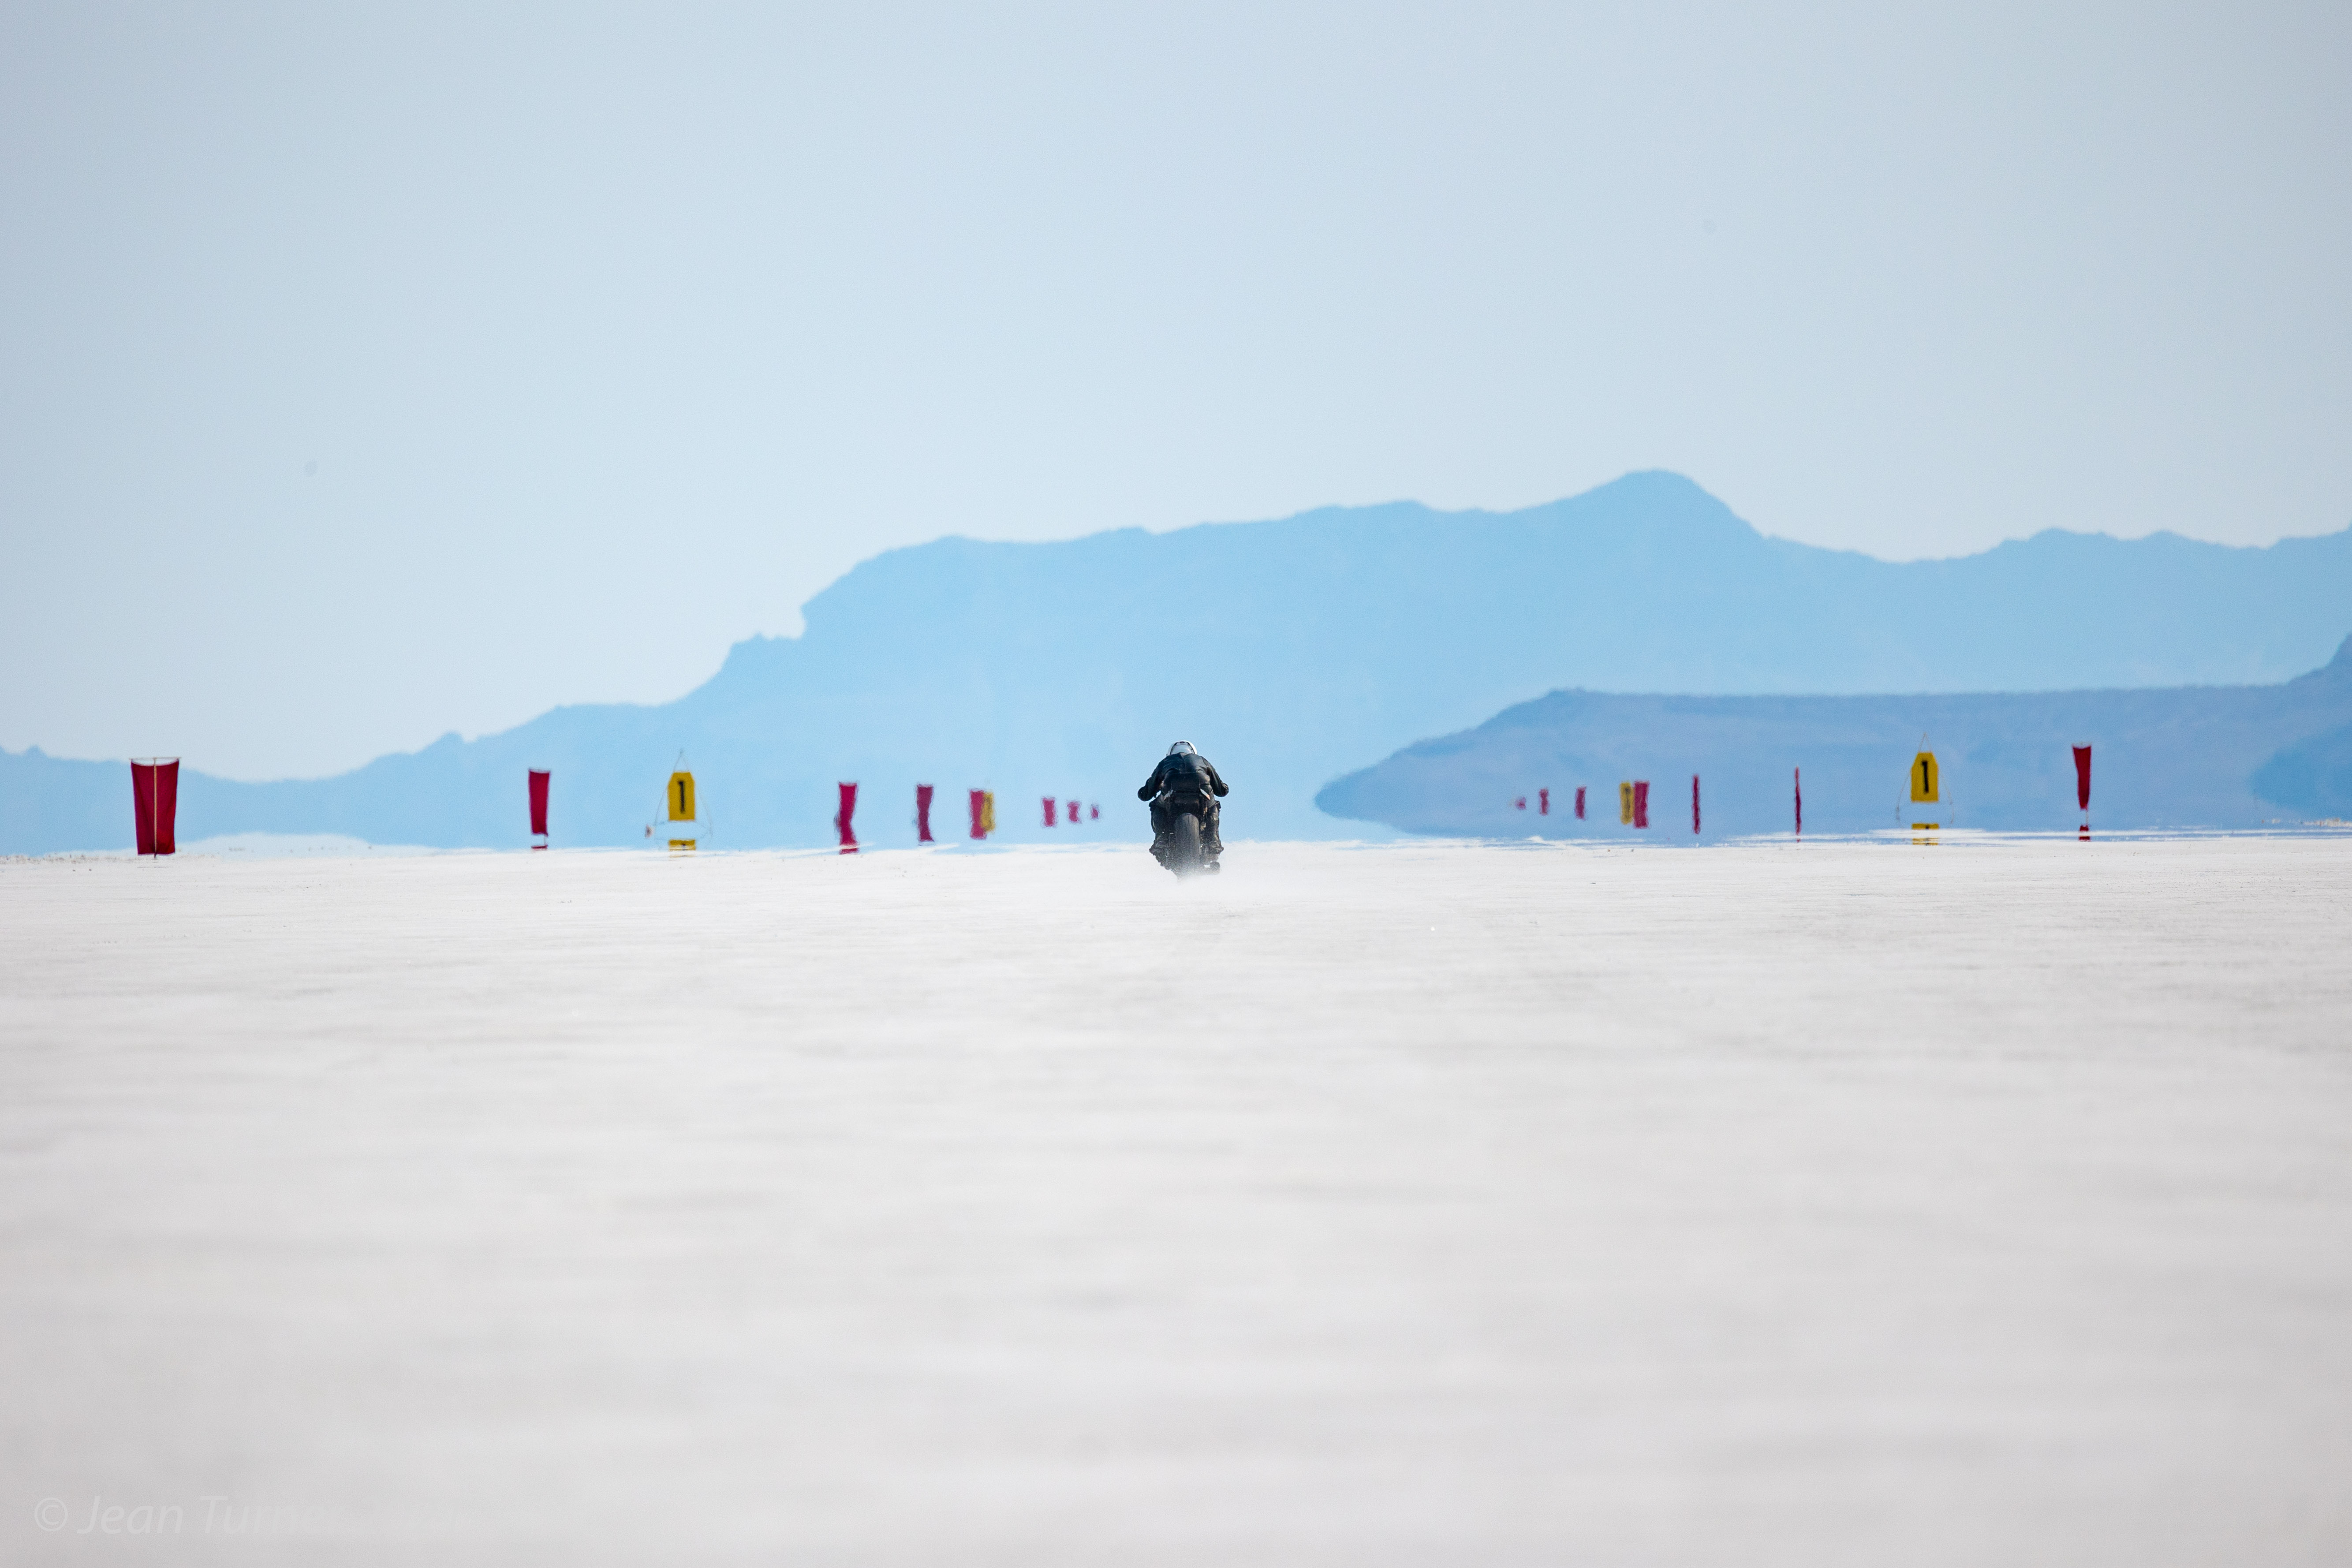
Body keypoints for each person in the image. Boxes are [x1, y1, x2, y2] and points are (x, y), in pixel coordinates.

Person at [1138, 741, 1229, 866]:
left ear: (1169, 753)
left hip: (1172, 790)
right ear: (1193, 752)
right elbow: (1222, 791)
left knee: (1157, 805)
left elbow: (1146, 795)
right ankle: (1213, 840)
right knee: (1213, 805)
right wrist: (1223, 787)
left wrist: (1145, 791)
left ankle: (1161, 839)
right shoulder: (1202, 760)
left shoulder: (1165, 762)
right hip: (1201, 790)